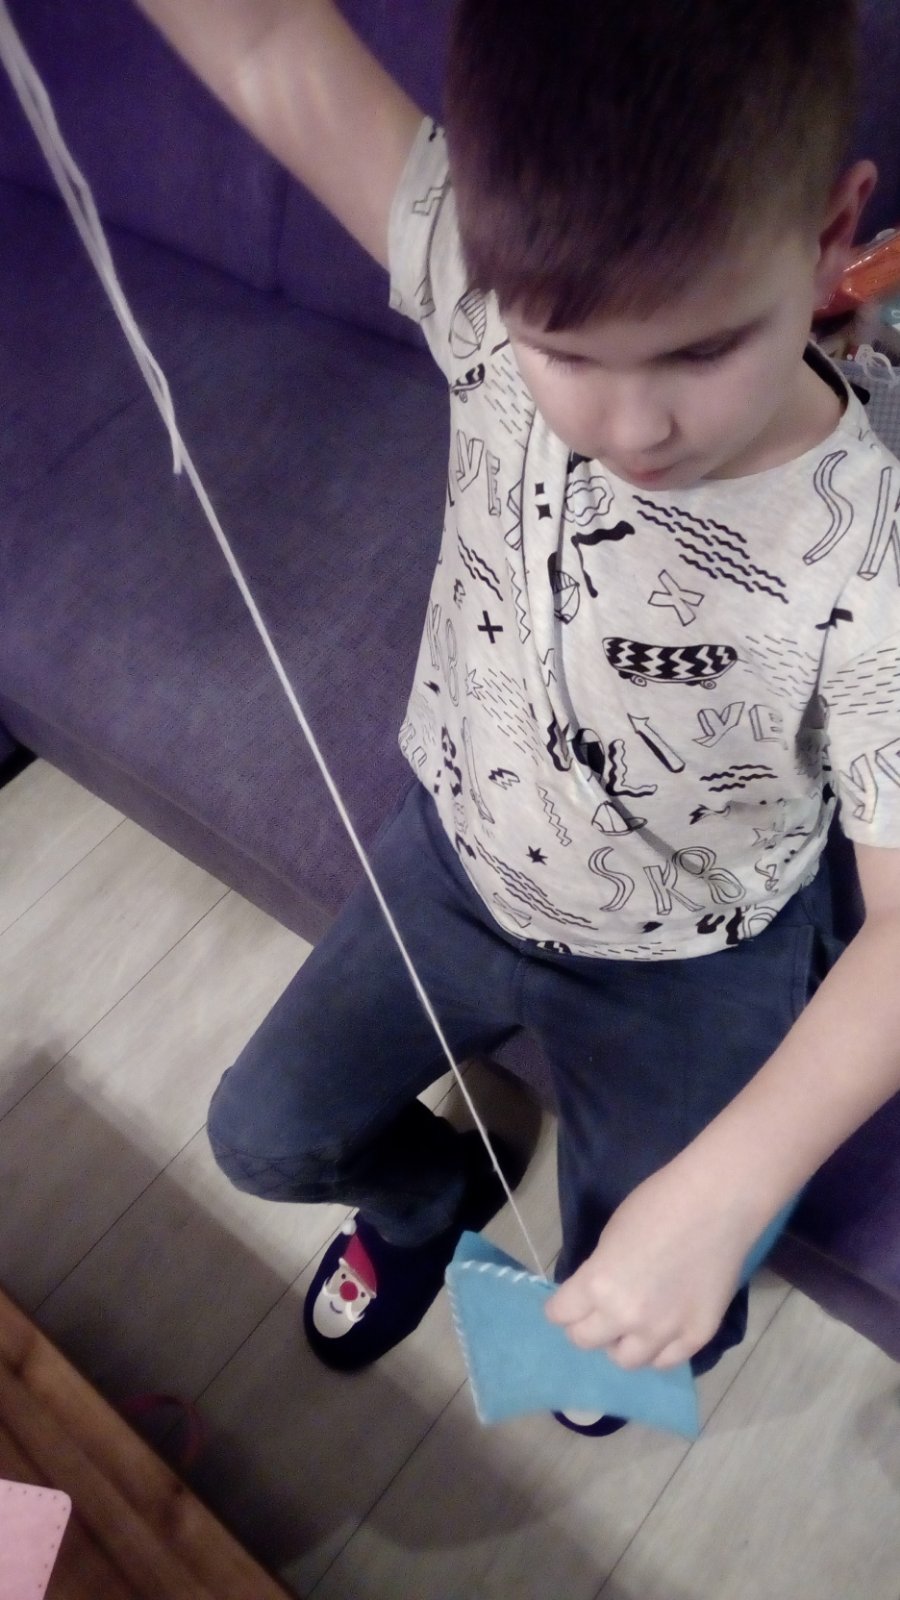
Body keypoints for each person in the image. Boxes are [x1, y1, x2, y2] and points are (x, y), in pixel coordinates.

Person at [134, 0, 900, 1435]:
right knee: (262, 1136)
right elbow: (266, 41)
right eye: (568, 352)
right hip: (457, 859)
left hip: (696, 955)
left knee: (648, 1303)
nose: (632, 427)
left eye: (699, 350)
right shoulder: (478, 291)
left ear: (828, 235)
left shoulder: (871, 556)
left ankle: (609, 1330)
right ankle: (432, 1200)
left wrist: (720, 1196)